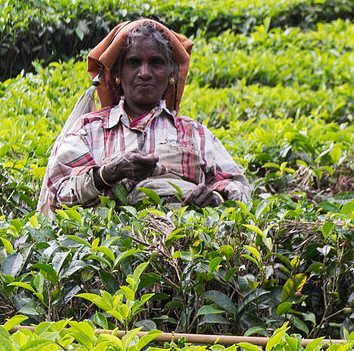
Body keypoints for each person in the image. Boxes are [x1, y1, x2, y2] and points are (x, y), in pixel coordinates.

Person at [38, 18, 250, 214]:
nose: (145, 72)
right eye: (134, 62)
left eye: (156, 63)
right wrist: (107, 174)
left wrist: (215, 197)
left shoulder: (194, 134)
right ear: (119, 72)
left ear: (172, 75)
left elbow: (239, 188)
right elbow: (57, 194)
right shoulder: (89, 129)